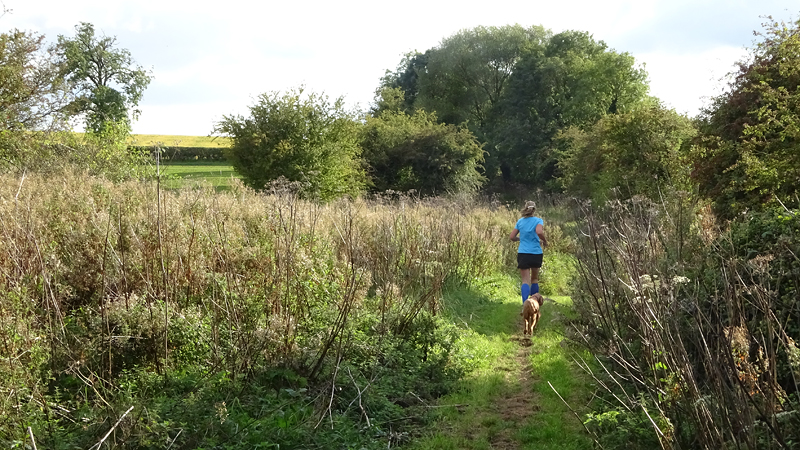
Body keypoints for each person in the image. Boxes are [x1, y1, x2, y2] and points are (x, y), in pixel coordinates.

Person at [509, 201, 548, 304]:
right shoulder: (538, 220)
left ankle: (525, 304)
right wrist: (544, 241)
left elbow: (512, 237)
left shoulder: (520, 222)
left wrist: (520, 239)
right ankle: (534, 303)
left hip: (523, 253)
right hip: (536, 253)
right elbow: (539, 231)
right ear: (534, 210)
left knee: (525, 280)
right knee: (534, 279)